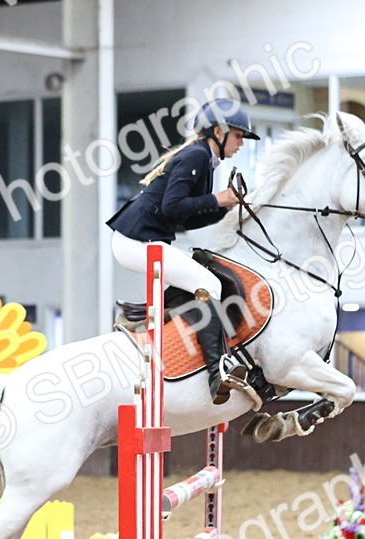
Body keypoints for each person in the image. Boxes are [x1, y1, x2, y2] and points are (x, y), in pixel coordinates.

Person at [107, 97, 259, 404]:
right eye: (239, 136)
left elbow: (189, 219)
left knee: (195, 285)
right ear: (219, 131)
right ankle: (217, 374)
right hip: (135, 241)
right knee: (210, 284)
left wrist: (228, 207)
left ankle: (141, 314)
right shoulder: (196, 156)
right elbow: (173, 206)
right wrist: (218, 199)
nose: (241, 143)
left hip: (144, 240)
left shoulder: (205, 158)